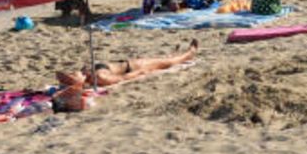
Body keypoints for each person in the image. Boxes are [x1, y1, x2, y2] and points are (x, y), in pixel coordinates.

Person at [52, 39, 200, 111]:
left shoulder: (88, 76)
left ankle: (185, 54)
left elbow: (60, 75)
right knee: (167, 62)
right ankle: (189, 53)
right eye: (74, 76)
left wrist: (81, 77)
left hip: (128, 64)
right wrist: (142, 72)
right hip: (132, 67)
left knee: (164, 61)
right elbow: (124, 78)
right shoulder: (101, 78)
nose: (72, 74)